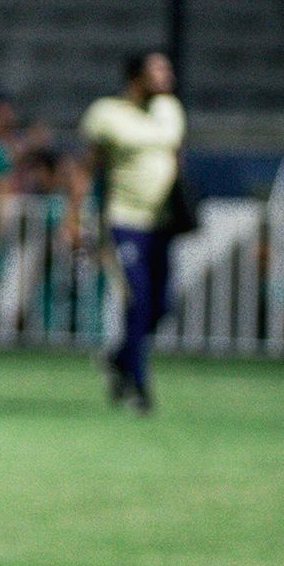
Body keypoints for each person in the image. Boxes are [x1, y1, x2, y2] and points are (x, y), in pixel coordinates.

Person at [74, 50, 185, 414]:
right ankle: (139, 385)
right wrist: (73, 216)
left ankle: (120, 358)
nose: (167, 76)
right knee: (138, 299)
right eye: (158, 69)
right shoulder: (108, 114)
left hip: (161, 223)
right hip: (125, 221)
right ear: (137, 77)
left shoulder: (170, 110)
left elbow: (175, 157)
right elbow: (87, 167)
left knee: (161, 305)